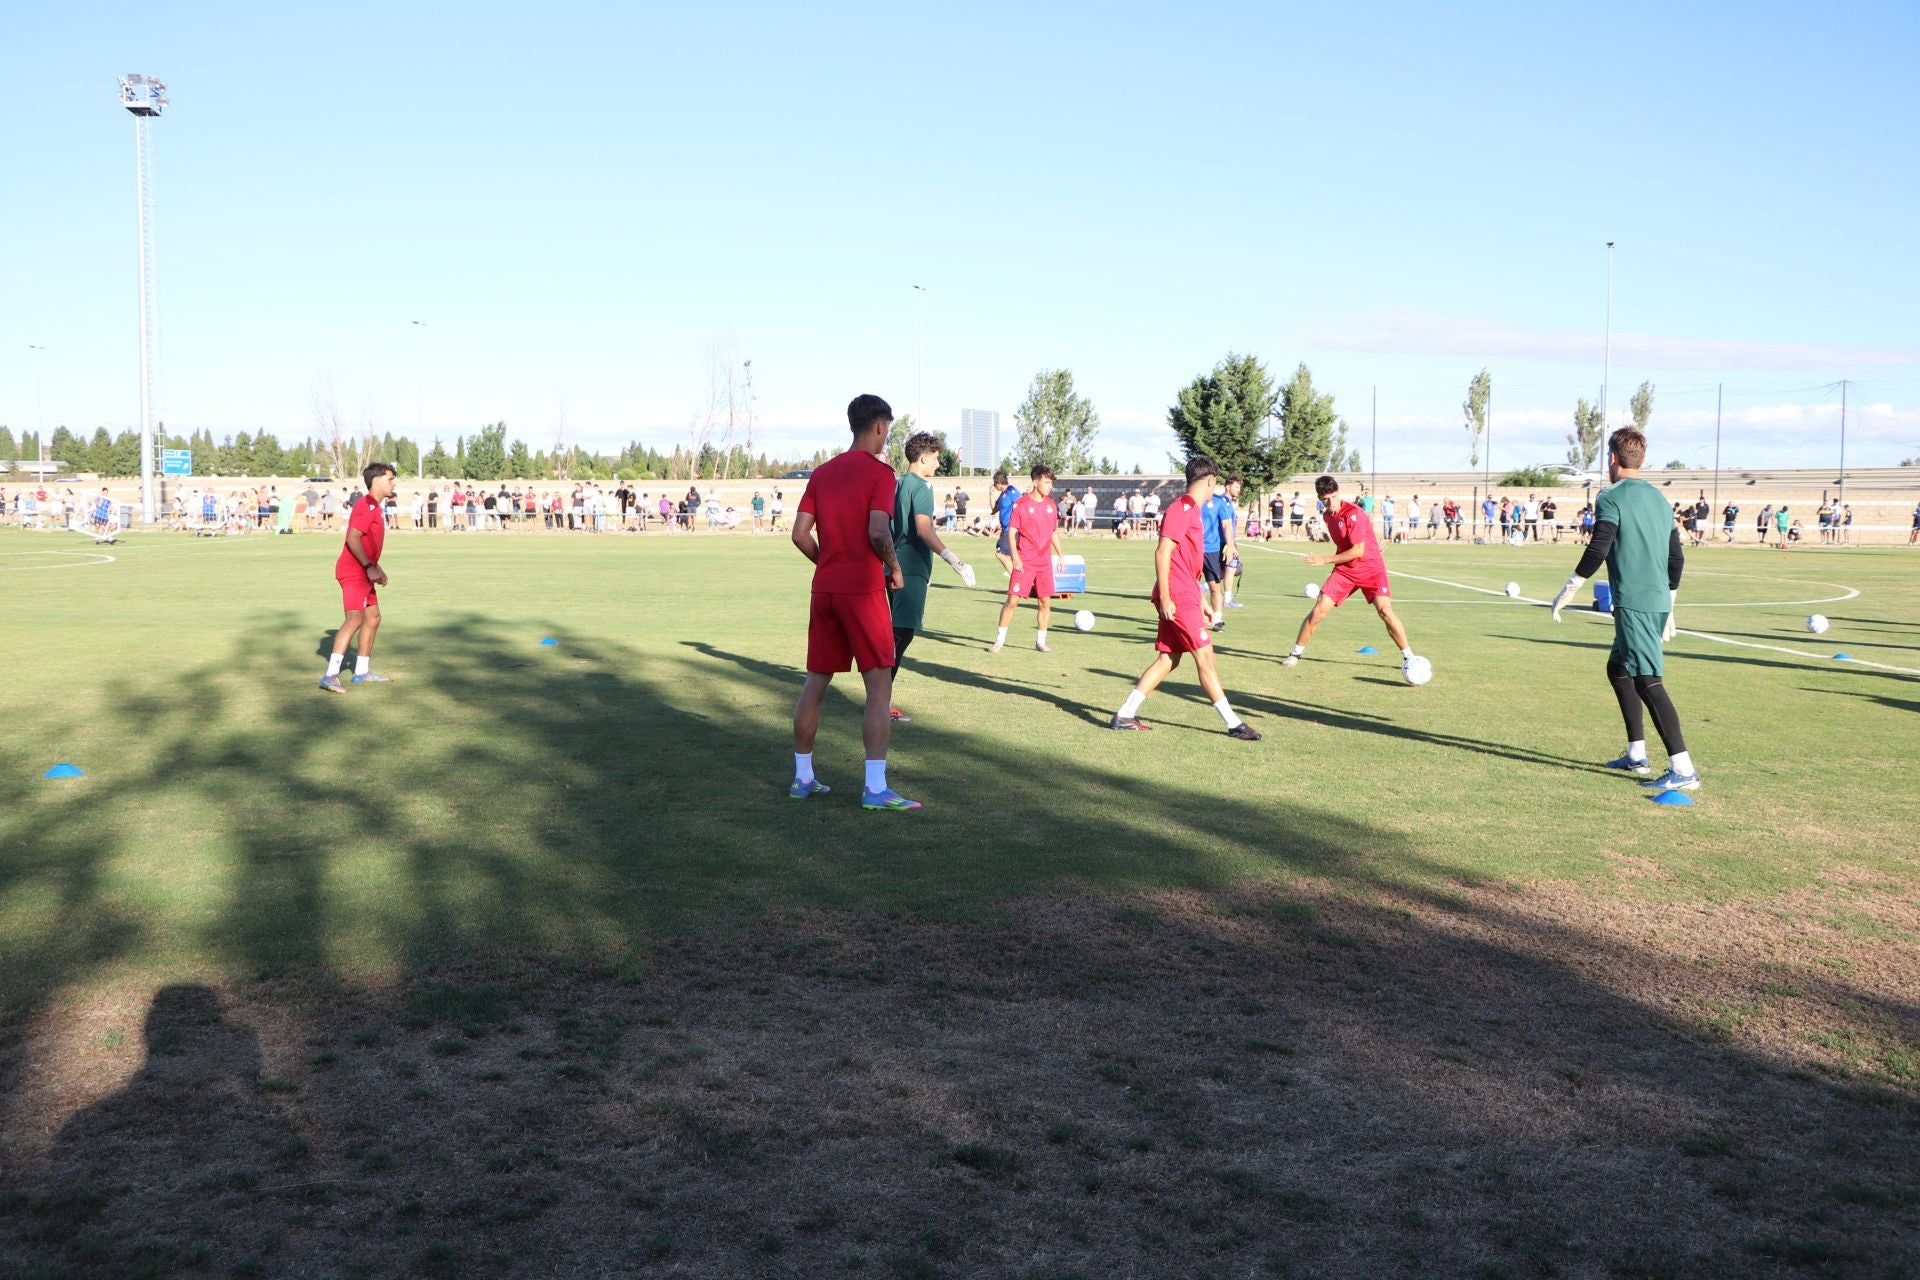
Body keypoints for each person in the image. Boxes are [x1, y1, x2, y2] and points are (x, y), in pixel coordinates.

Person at [1550, 427, 1698, 792]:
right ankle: (1636, 754)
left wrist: (1571, 587)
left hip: (1635, 601)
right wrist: (1671, 602)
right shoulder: (1659, 499)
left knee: (1648, 679)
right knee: (1618, 668)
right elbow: (1675, 557)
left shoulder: (1610, 496)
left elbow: (1600, 546)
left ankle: (1683, 769)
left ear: (1613, 458)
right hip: (1656, 599)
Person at [789, 394, 917, 811]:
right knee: (879, 685)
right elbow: (879, 532)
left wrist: (827, 561)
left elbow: (799, 535)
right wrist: (895, 569)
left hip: (823, 588)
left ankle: (803, 778)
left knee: (816, 682)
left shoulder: (822, 473)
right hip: (861, 590)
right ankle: (875, 788)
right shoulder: (881, 473)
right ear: (879, 426)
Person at [1110, 455, 1260, 740]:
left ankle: (1125, 714)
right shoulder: (1182, 509)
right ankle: (1233, 723)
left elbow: (1185, 561)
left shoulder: (1192, 511)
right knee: (1205, 654)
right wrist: (1167, 596)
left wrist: (1200, 600)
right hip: (1176, 594)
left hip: (1186, 592)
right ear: (1211, 481)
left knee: (1169, 659)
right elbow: (1162, 551)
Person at [1283, 475, 1420, 674]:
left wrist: (1324, 559)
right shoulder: (1327, 516)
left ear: (1338, 494)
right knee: (1318, 610)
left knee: (1385, 611)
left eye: (1333, 497)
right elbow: (1358, 538)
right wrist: (1376, 540)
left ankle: (1410, 658)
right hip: (1346, 570)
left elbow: (1358, 550)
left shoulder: (1352, 513)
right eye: (1325, 499)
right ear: (1319, 498)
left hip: (1371, 568)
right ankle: (1295, 653)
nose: (1330, 503)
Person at [888, 432, 977, 722]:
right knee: (899, 635)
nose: (939, 464)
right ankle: (880, 703)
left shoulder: (899, 483)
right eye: (937, 458)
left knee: (895, 634)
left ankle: (878, 700)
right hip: (910, 567)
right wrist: (956, 561)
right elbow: (923, 529)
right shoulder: (922, 486)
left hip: (893, 564)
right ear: (923, 457)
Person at [320, 463, 398, 692]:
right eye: (390, 479)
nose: (393, 483)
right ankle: (330, 676)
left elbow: (366, 545)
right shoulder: (366, 506)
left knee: (373, 618)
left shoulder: (375, 507)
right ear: (376, 481)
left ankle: (361, 671)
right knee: (354, 619)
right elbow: (353, 539)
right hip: (353, 572)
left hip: (364, 570)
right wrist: (368, 566)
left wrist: (376, 568)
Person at [990, 465, 1059, 653]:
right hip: (1025, 561)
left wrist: (1060, 555)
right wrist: (1016, 557)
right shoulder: (1021, 504)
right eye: (1046, 482)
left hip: (1044, 563)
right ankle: (999, 640)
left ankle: (1041, 642)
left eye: (1051, 483)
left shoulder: (1051, 505)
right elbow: (1012, 533)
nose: (1049, 486)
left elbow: (1053, 533)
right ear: (1035, 482)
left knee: (1045, 602)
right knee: (1012, 601)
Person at [1201, 475, 1241, 626]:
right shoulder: (1193, 501)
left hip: (1213, 549)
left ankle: (1217, 620)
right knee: (1191, 585)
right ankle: (1196, 617)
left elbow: (1227, 526)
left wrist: (1231, 546)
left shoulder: (1220, 502)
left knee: (1215, 586)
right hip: (1194, 549)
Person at [989, 470, 1020, 578]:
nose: (994, 486)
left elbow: (1022, 505)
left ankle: (1017, 580)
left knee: (1000, 554)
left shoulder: (1012, 491)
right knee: (1011, 557)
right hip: (1005, 531)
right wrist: (991, 494)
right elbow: (994, 509)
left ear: (998, 483)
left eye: (994, 483)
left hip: (1012, 530)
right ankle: (1022, 581)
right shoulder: (1002, 495)